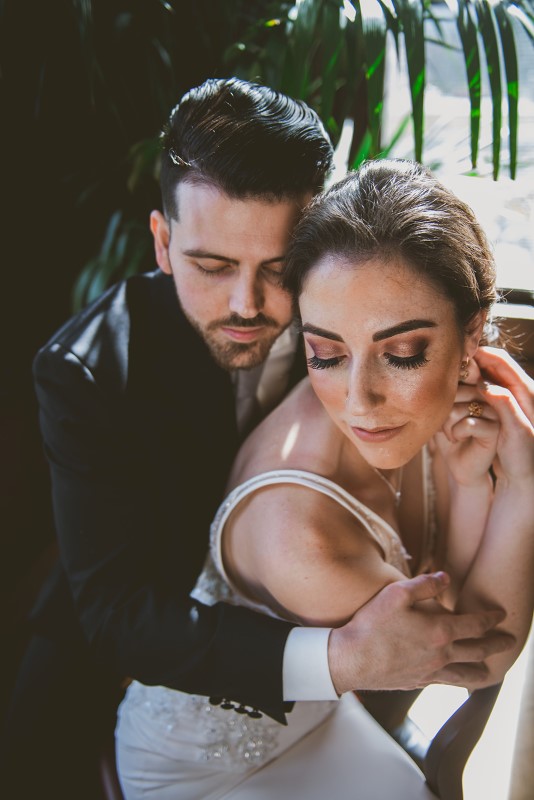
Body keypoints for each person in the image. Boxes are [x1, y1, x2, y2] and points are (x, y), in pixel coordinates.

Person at [1, 80, 512, 798]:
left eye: (278, 270)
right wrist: (335, 658)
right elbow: (117, 612)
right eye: (211, 267)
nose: (246, 303)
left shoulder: (353, 311)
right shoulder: (85, 371)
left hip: (308, 618)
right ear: (163, 242)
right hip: (127, 612)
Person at [115, 159, 534, 799]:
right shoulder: (298, 539)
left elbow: (452, 578)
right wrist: (524, 491)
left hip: (325, 719)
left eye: (400, 355)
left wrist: (473, 483)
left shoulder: (423, 416)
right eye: (326, 354)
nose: (359, 400)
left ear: (472, 330)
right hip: (205, 770)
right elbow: (484, 647)